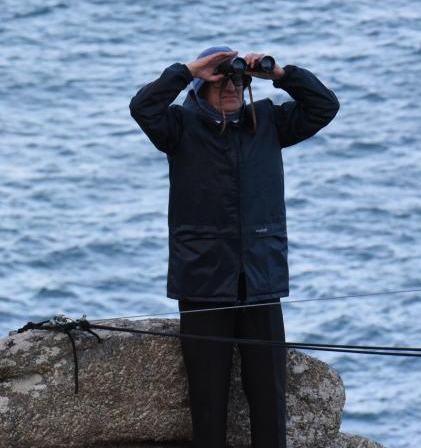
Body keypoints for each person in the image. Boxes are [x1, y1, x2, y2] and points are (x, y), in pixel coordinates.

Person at [129, 47, 339, 448]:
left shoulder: (269, 122)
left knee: (269, 396)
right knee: (208, 400)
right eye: (222, 80)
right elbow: (143, 107)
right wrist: (188, 70)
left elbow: (324, 106)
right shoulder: (179, 126)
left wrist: (279, 73)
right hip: (203, 281)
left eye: (238, 81)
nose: (232, 87)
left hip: (260, 278)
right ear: (202, 86)